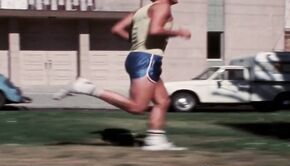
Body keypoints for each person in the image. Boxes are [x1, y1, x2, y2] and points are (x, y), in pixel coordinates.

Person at [53, 0, 191, 151]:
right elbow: (155, 30)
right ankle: (87, 88)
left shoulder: (140, 11)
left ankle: (155, 140)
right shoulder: (163, 6)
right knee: (138, 107)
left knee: (162, 101)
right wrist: (178, 32)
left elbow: (117, 29)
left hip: (140, 57)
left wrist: (137, 44)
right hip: (147, 59)